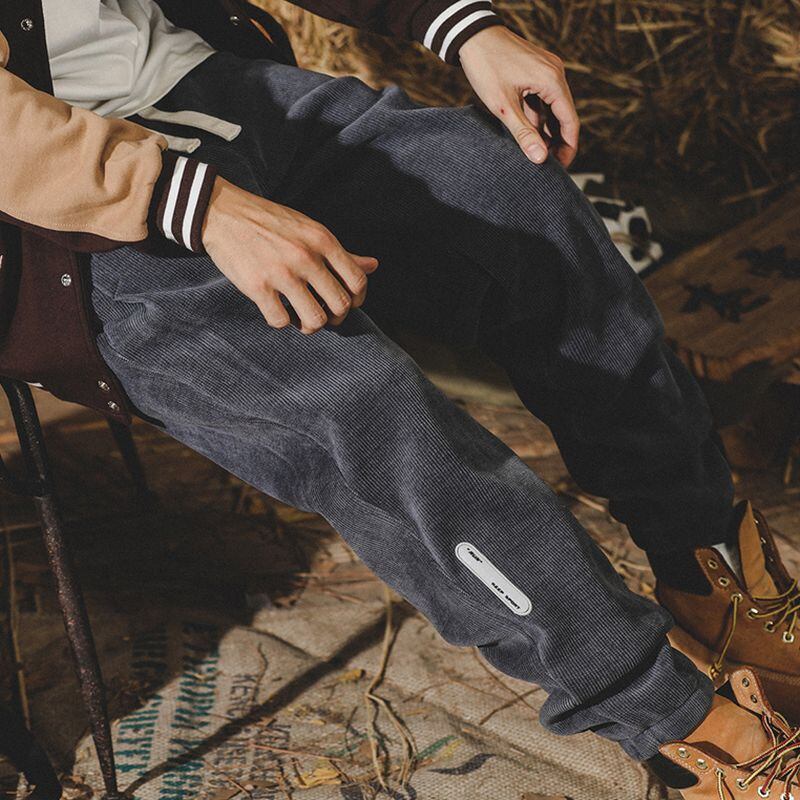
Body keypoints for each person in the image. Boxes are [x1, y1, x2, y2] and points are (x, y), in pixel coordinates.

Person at [1, 1, 799, 796]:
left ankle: (708, 568)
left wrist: (459, 23)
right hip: (61, 216)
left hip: (200, 88)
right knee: (365, 406)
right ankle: (670, 719)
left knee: (517, 201)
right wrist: (198, 204)